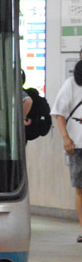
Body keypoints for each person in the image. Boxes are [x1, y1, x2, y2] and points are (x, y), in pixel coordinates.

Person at [51, 54, 82, 242]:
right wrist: (65, 138)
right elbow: (59, 113)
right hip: (78, 145)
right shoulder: (71, 84)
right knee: (80, 189)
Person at [23, 70, 52, 140]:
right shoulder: (35, 96)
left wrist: (22, 118)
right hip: (28, 131)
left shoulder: (21, 93)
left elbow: (28, 101)